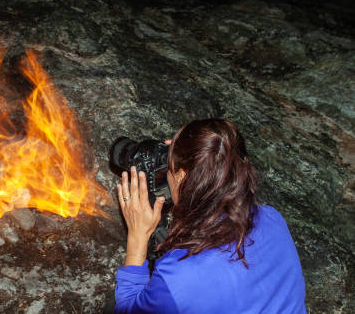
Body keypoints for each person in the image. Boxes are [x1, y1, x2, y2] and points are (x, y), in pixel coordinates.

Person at [114, 119, 306, 313]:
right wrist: (197, 157)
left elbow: (126, 308)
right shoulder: (272, 218)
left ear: (181, 177)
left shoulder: (178, 278)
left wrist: (138, 237)